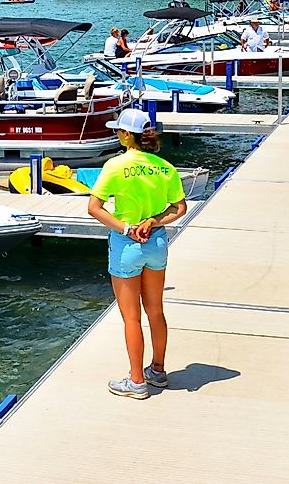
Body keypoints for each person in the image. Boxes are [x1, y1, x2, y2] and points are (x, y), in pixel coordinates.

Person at [87, 108, 188, 399]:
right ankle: (157, 370)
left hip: (127, 245)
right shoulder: (165, 168)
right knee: (155, 310)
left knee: (131, 318)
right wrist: (153, 221)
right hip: (156, 242)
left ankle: (136, 381)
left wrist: (126, 228)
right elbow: (179, 209)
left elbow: (94, 208)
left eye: (118, 130)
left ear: (127, 135)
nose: (116, 134)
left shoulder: (115, 166)